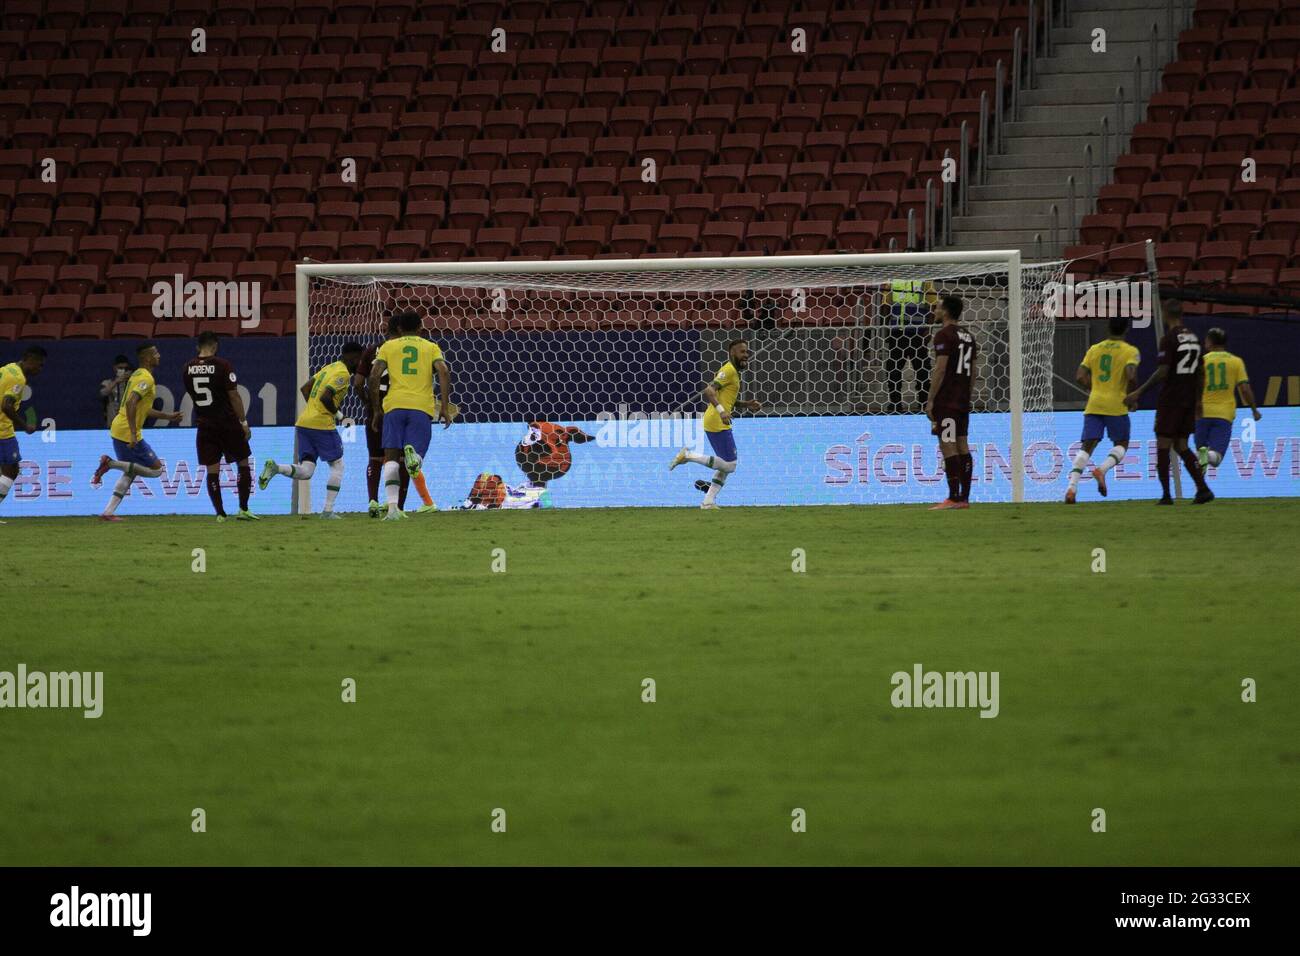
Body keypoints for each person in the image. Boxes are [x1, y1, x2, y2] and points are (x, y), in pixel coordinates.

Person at [260, 343, 364, 517]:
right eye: (359, 360)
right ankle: (328, 511)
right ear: (353, 357)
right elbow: (326, 398)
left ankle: (276, 468)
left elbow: (305, 388)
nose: (360, 364)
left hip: (304, 422)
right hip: (321, 424)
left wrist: (313, 409)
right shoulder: (343, 373)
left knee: (307, 471)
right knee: (337, 465)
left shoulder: (329, 367)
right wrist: (339, 416)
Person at [1124, 299, 1212, 505]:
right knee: (1182, 445)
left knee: (1163, 445)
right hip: (1188, 398)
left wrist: (1138, 391)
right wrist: (1198, 399)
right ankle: (1203, 489)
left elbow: (1163, 371)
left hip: (1172, 398)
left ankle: (1166, 495)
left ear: (1165, 314)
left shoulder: (1169, 339)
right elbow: (1200, 370)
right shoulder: (1193, 337)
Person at [368, 310, 453, 520]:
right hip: (420, 407)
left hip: (394, 406)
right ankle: (414, 457)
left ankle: (392, 509)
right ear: (420, 328)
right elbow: (443, 371)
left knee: (390, 459)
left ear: (398, 328)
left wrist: (377, 408)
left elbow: (374, 375)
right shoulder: (430, 347)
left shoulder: (388, 346)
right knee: (415, 457)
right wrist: (443, 405)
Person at [91, 342, 183, 521]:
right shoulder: (146, 378)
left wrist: (168, 416)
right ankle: (109, 464)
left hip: (120, 428)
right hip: (127, 431)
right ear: (147, 358)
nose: (159, 356)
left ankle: (108, 512)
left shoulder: (137, 374)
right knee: (157, 470)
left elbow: (143, 408)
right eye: (155, 353)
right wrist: (133, 433)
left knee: (131, 472)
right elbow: (131, 403)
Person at [669, 337, 762, 509]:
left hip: (717, 419)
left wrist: (746, 404)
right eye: (742, 351)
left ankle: (708, 501)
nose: (746, 355)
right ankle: (688, 456)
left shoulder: (733, 373)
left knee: (725, 465)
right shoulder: (728, 371)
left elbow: (726, 400)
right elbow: (709, 390)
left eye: (747, 352)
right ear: (732, 352)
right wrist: (722, 411)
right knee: (731, 465)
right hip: (716, 420)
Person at [183, 331, 257, 521]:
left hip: (205, 425)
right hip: (227, 423)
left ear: (198, 346)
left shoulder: (187, 368)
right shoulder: (223, 365)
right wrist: (243, 422)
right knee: (242, 463)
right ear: (215, 346)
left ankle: (220, 514)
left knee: (212, 469)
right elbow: (234, 395)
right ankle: (243, 509)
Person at [1065, 318, 1140, 504]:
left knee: (1087, 446)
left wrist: (1093, 389)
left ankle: (1071, 488)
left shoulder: (1094, 349)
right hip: (1117, 404)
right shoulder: (1130, 351)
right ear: (1126, 329)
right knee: (1122, 443)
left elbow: (1080, 376)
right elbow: (1131, 375)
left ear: (1108, 328)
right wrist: (1132, 396)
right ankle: (1101, 470)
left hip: (1094, 403)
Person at [1194, 327, 1261, 499]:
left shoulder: (1201, 360)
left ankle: (1200, 490)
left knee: (1202, 457)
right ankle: (1201, 488)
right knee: (1215, 459)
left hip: (1201, 413)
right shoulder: (1236, 362)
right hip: (1223, 414)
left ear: (1209, 342)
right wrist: (1254, 410)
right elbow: (1244, 389)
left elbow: (1192, 386)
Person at [925, 295, 977, 510]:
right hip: (962, 399)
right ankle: (964, 498)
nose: (935, 309)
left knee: (948, 446)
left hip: (946, 400)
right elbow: (974, 371)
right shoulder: (969, 336)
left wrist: (930, 399)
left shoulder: (943, 335)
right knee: (962, 444)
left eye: (937, 307)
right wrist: (967, 394)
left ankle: (953, 498)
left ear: (945, 311)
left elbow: (940, 368)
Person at [0, 346, 47, 523]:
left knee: (4, 470)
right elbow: (6, 405)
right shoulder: (18, 377)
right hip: (2, 430)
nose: (39, 369)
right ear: (29, 359)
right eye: (39, 365)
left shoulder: (7, 368)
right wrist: (24, 425)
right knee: (11, 470)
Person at [881, 277, 936, 413]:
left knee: (922, 369)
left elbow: (932, 305)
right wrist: (887, 329)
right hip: (897, 333)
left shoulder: (924, 280)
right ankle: (895, 403)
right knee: (893, 370)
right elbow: (885, 305)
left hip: (918, 333)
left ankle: (923, 403)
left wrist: (928, 330)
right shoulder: (892, 281)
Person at [99, 355, 132, 428]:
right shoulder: (107, 383)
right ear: (114, 368)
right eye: (120, 368)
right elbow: (102, 393)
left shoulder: (132, 384)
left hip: (128, 422)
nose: (123, 370)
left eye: (125, 368)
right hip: (112, 421)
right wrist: (116, 381)